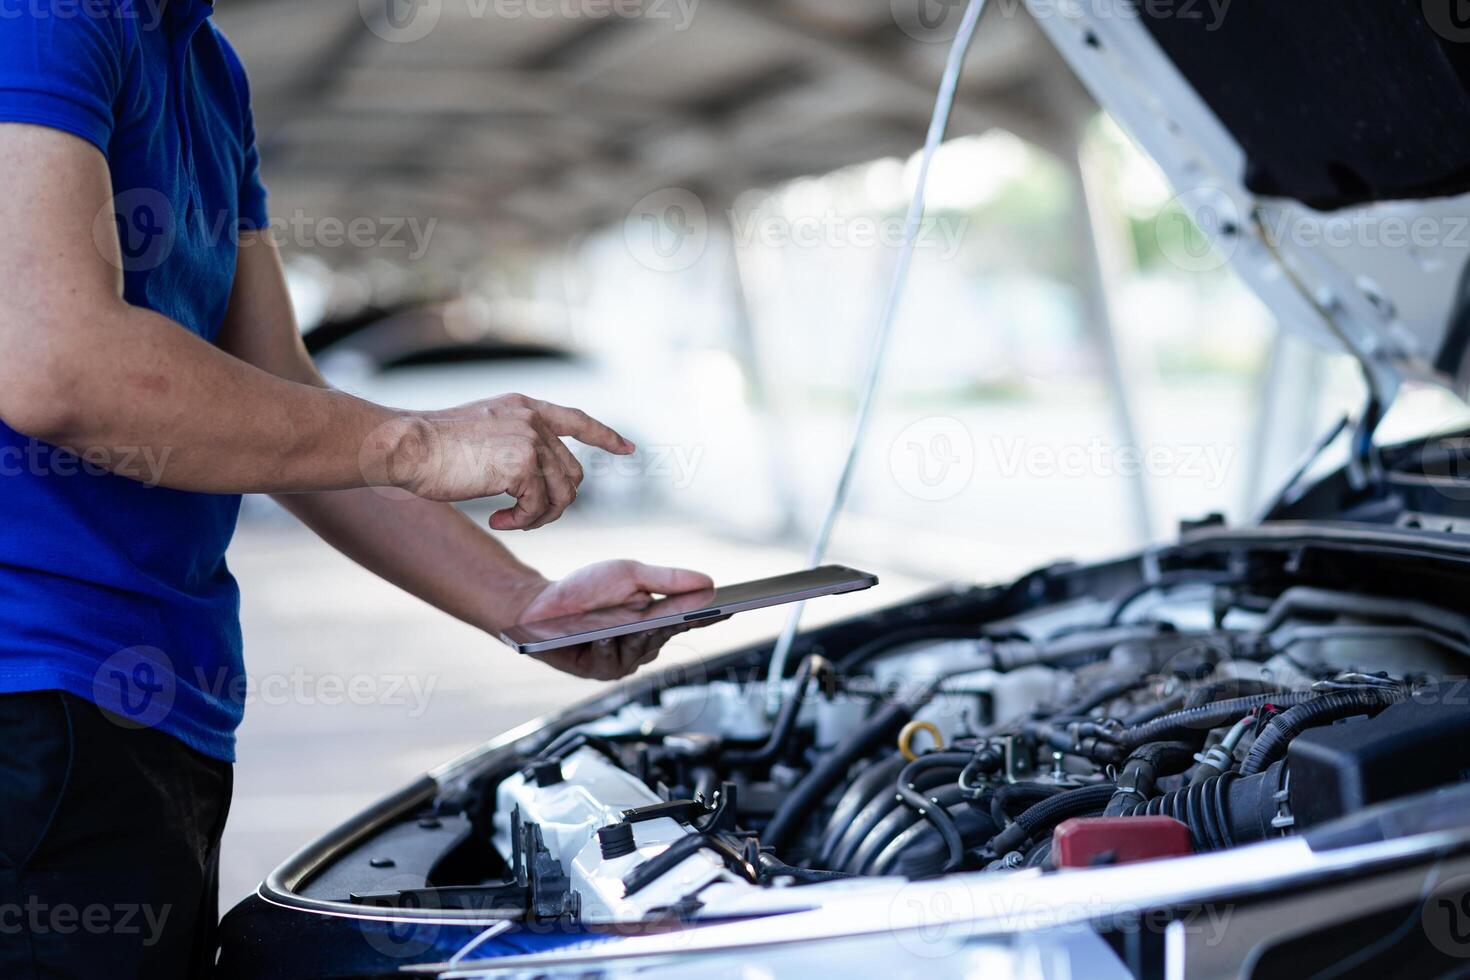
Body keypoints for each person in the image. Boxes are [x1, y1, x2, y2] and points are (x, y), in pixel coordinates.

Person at [0, 2, 711, 975]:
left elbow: (288, 404)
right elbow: (56, 362)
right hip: (32, 702)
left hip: (160, 717)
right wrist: (418, 441)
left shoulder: (207, 64)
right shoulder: (50, 14)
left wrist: (524, 603)